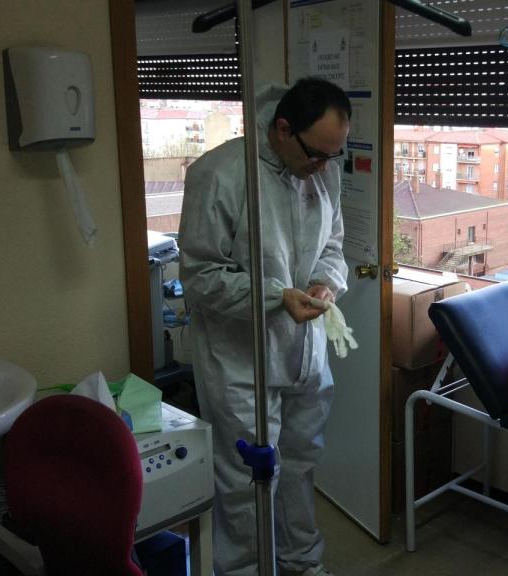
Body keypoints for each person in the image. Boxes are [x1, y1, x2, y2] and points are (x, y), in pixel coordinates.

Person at [178, 78, 351, 576]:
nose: (323, 166)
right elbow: (200, 275)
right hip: (240, 357)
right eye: (317, 154)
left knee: (299, 465)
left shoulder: (322, 172)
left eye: (332, 156)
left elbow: (333, 246)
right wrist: (276, 298)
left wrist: (325, 284)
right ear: (282, 129)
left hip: (304, 352)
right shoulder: (220, 174)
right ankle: (245, 570)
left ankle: (302, 562)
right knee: (245, 477)